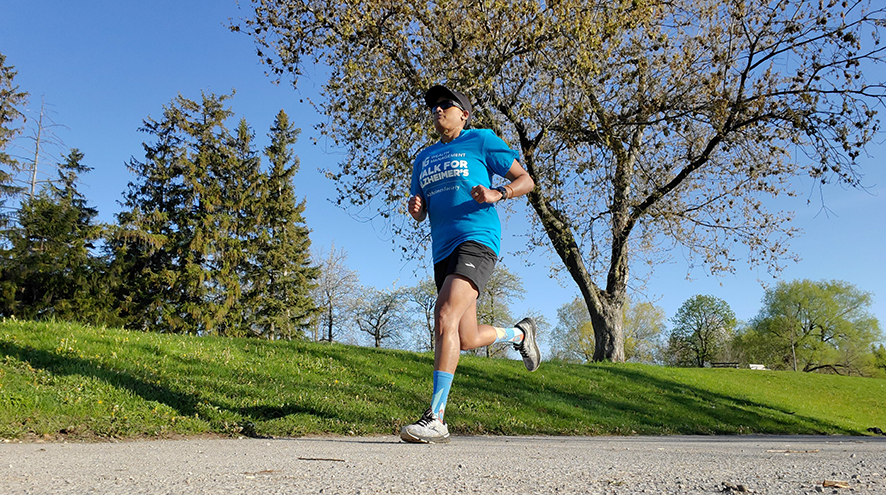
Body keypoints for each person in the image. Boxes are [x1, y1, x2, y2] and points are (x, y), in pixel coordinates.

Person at [400, 84, 540, 444]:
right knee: (465, 337)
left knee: (444, 313)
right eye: (434, 106)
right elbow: (422, 206)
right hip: (442, 250)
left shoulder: (481, 140)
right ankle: (520, 333)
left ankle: (436, 417)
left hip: (477, 240)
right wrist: (417, 209)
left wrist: (499, 193)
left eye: (446, 105)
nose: (438, 110)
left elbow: (526, 180)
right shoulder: (424, 157)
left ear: (463, 114)